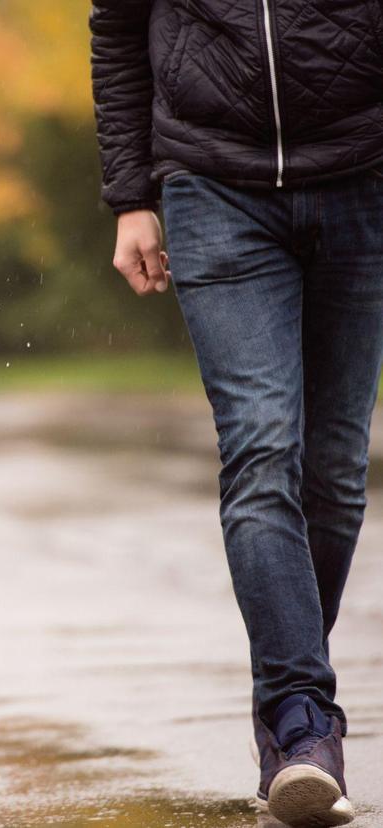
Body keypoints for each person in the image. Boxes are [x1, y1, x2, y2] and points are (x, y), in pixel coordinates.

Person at [90, 1, 383, 825]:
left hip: (363, 173)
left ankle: (287, 722)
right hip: (212, 184)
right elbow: (117, 30)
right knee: (262, 448)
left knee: (333, 470)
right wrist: (129, 194)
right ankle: (303, 726)